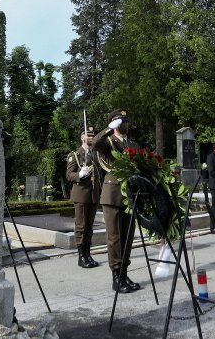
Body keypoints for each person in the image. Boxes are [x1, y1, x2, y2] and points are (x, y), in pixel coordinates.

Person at [90, 109, 143, 293]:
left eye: (126, 121)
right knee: (114, 238)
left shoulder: (133, 144)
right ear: (114, 123)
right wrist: (107, 129)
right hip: (112, 194)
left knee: (127, 237)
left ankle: (124, 273)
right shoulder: (108, 143)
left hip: (130, 195)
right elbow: (94, 144)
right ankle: (116, 276)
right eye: (121, 121)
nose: (125, 124)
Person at [67, 128, 100, 268]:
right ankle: (81, 256)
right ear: (82, 137)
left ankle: (88, 254)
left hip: (93, 195)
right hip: (81, 194)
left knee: (89, 227)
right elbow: (69, 175)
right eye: (88, 135)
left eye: (93, 135)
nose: (91, 137)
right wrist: (79, 174)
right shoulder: (75, 155)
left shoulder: (96, 154)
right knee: (81, 226)